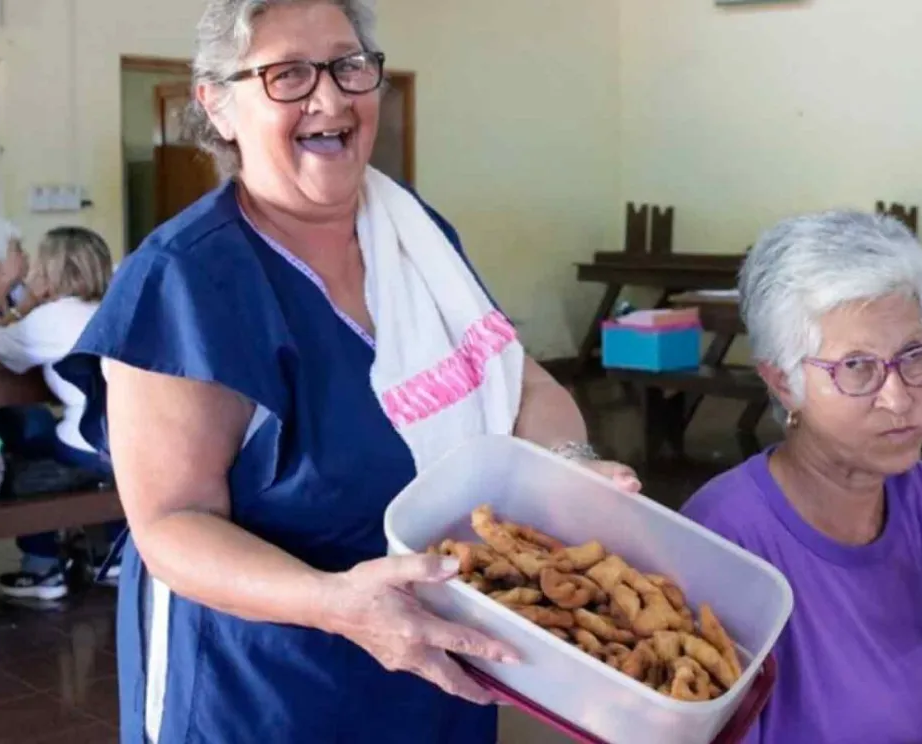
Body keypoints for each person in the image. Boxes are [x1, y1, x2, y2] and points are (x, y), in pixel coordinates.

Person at [56, 1, 640, 742]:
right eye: (287, 75)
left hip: (440, 662)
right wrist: (334, 602)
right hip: (266, 688)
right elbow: (171, 526)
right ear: (218, 106)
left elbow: (518, 383)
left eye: (347, 65)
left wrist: (573, 470)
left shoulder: (415, 237)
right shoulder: (184, 283)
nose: (328, 99)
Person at [681, 211, 922, 743]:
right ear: (784, 384)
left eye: (913, 354)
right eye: (857, 367)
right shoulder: (720, 539)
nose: (898, 397)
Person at [0, 226, 120, 599]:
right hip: (138, 439)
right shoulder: (115, 306)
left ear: (48, 272)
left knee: (31, 444)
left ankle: (41, 565)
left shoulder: (52, 319)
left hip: (97, 440)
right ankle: (114, 550)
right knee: (58, 432)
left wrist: (10, 299)